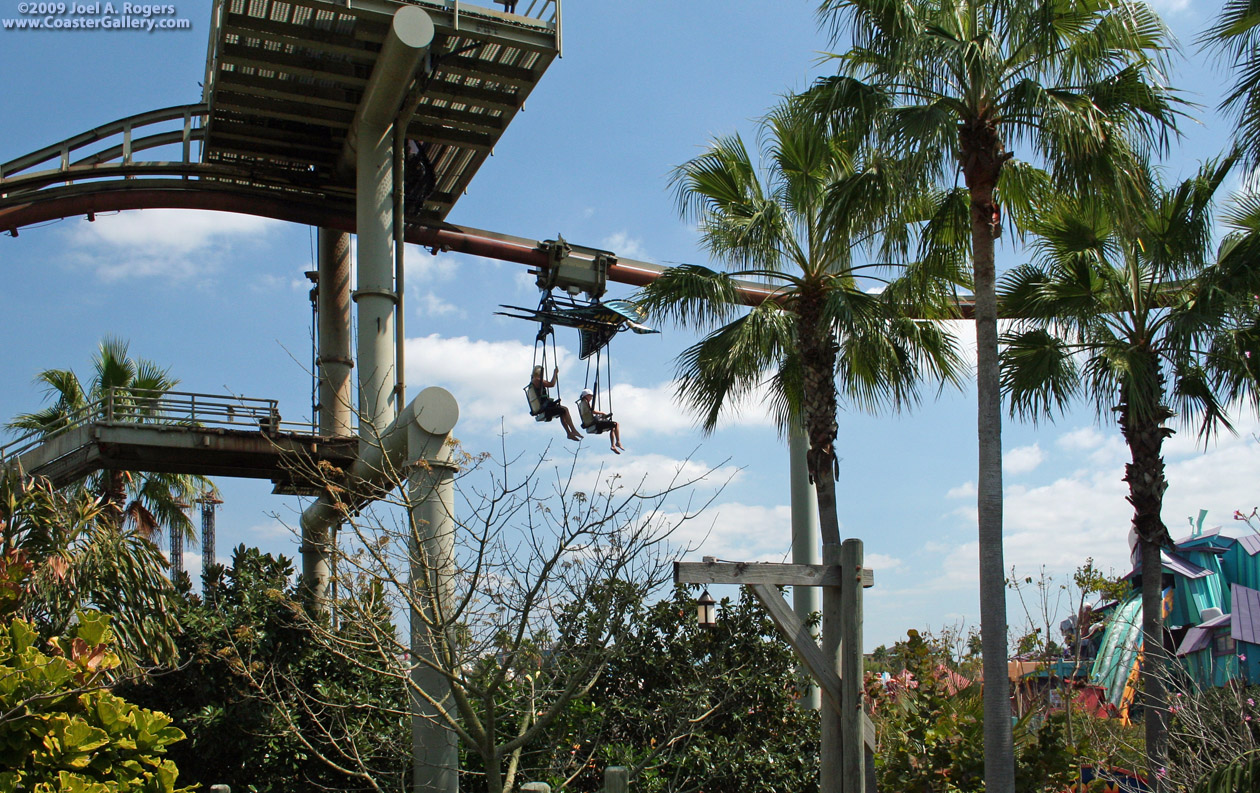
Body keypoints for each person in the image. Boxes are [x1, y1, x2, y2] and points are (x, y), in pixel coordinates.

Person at [529, 365, 582, 441]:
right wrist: (555, 373)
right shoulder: (537, 380)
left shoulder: (533, 381)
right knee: (565, 409)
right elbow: (552, 384)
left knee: (562, 412)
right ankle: (573, 430)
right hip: (544, 407)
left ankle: (569, 433)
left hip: (542, 406)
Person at [578, 388, 624, 454]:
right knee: (616, 424)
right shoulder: (585, 402)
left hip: (590, 423)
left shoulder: (581, 403)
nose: (591, 398)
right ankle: (618, 442)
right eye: (590, 396)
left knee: (612, 427)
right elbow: (592, 411)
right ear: (586, 395)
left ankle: (613, 445)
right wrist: (602, 413)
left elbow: (589, 413)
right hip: (594, 424)